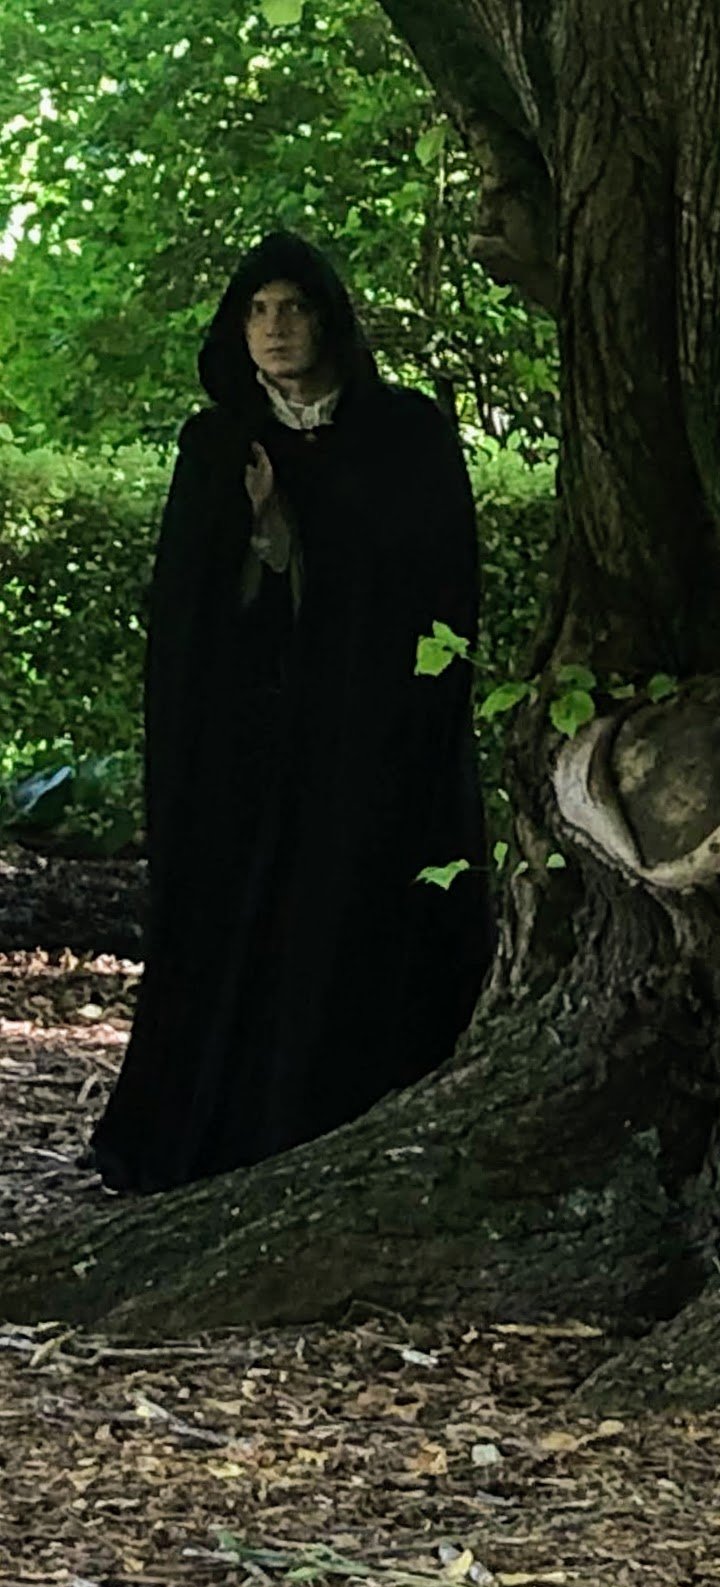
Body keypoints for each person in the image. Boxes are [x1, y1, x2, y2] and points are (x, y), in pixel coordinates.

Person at [89, 231, 490, 1193]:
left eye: (293, 308)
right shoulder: (220, 445)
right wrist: (263, 540)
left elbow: (435, 590)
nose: (275, 329)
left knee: (363, 921)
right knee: (250, 930)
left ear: (328, 319)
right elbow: (188, 617)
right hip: (252, 757)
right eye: (257, 312)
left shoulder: (406, 436)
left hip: (373, 741)